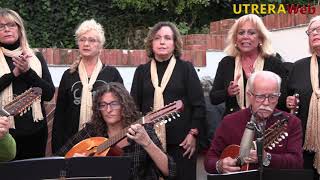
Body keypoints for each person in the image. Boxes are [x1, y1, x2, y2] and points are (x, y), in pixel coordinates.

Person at [130, 21, 206, 180]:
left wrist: (193, 134)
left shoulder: (186, 69)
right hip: (149, 143)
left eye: (167, 38)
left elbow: (199, 105)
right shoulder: (141, 71)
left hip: (182, 143)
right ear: (151, 43)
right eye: (157, 38)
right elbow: (133, 108)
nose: (162, 42)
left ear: (175, 43)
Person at [55, 82, 176, 179]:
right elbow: (58, 159)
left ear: (124, 105)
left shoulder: (143, 130)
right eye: (103, 105)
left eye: (114, 104)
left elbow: (170, 172)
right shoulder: (92, 130)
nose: (108, 110)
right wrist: (73, 164)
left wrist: (147, 143)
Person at [204, 71, 303, 174]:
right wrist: (219, 165)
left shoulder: (292, 122)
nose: (266, 103)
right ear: (249, 95)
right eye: (260, 97)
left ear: (278, 97)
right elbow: (209, 160)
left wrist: (267, 158)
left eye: (272, 97)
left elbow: (297, 162)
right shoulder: (230, 121)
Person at [52, 19, 123, 154]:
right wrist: (58, 149)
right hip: (71, 140)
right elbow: (60, 115)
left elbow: (122, 109)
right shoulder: (68, 75)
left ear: (100, 46)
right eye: (82, 39)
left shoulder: (111, 74)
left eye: (92, 40)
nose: (86, 44)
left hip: (104, 141)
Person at [0, 8, 55, 159]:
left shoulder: (35, 56)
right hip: (4, 135)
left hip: (35, 133)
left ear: (19, 28)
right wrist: (14, 74)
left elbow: (49, 94)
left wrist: (28, 72)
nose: (7, 29)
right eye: (1, 26)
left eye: (11, 25)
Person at [209, 14, 287, 116]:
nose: (245, 37)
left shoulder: (273, 63)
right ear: (235, 39)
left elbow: (283, 99)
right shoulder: (226, 63)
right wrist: (228, 92)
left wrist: (258, 86)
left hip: (266, 124)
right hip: (234, 124)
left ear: (260, 38)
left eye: (251, 33)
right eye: (241, 33)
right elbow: (213, 98)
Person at [286, 15, 320, 179]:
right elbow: (285, 100)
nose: (314, 33)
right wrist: (289, 103)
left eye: (319, 29)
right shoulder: (298, 67)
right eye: (311, 31)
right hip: (306, 144)